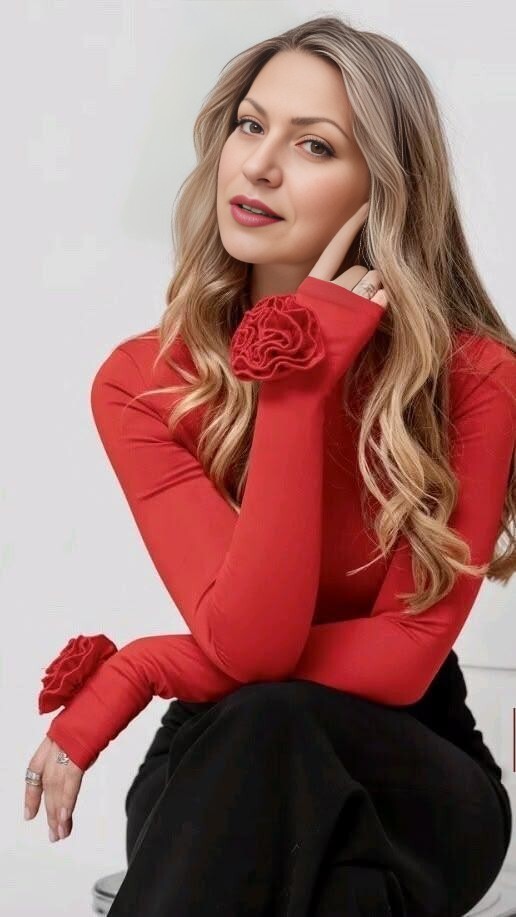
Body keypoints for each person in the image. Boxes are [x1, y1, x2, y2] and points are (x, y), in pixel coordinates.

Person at [24, 14, 515, 917]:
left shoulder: (475, 376)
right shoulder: (143, 382)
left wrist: (146, 664)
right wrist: (296, 386)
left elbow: (404, 660)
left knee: (273, 721)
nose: (258, 165)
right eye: (251, 126)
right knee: (334, 878)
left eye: (314, 145)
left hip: (414, 774)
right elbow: (254, 645)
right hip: (220, 757)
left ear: (384, 190)